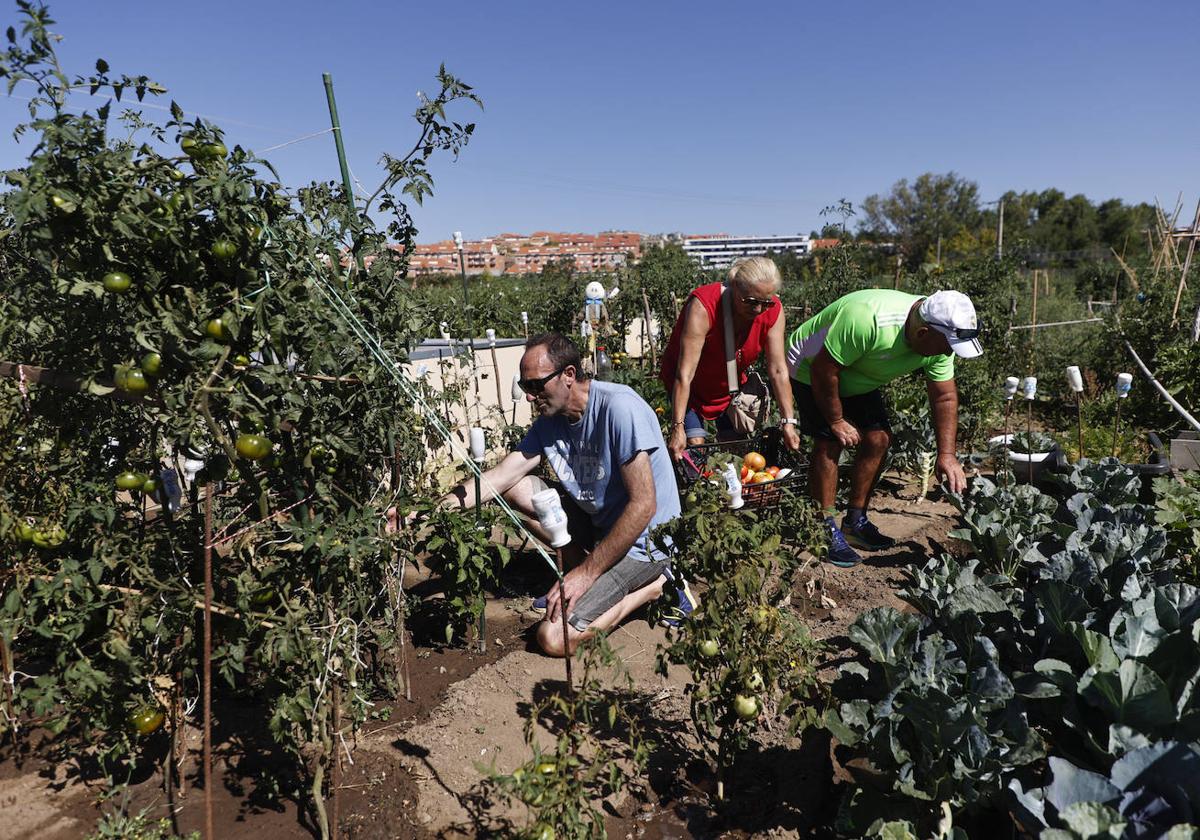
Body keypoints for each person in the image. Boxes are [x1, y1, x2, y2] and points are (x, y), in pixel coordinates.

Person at [419, 333, 692, 657]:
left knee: (553, 638)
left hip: (645, 544)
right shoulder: (550, 422)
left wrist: (585, 575)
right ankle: (585, 577)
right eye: (525, 387)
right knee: (516, 487)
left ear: (569, 375)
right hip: (602, 529)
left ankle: (654, 587)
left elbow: (644, 506)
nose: (530, 398)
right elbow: (498, 478)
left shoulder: (619, 408)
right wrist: (423, 514)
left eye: (536, 386)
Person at [784, 289, 982, 568]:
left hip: (858, 371)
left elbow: (944, 396)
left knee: (878, 439)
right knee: (830, 442)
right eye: (947, 346)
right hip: (810, 365)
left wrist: (947, 454)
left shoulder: (939, 338)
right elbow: (824, 370)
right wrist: (837, 420)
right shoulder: (868, 320)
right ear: (923, 333)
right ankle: (822, 527)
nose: (949, 352)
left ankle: (855, 521)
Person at [660, 257, 801, 461]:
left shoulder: (773, 311)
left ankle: (727, 492)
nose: (759, 310)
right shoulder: (704, 306)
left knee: (735, 453)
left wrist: (788, 421)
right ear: (735, 287)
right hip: (689, 388)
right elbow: (684, 375)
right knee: (694, 448)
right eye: (752, 302)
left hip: (728, 387)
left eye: (766, 302)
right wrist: (678, 427)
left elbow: (778, 370)